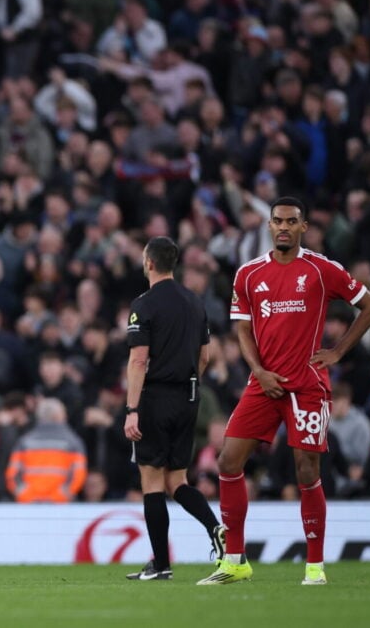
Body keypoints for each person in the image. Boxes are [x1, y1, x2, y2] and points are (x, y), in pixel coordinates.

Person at [198, 197, 370, 586]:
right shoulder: (248, 274)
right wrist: (259, 371)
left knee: (306, 469)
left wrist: (337, 351)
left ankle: (314, 567)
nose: (283, 226)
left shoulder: (321, 270)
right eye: (277, 220)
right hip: (263, 384)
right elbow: (242, 330)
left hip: (307, 385)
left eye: (291, 221)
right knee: (229, 462)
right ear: (269, 226)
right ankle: (235, 561)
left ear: (303, 227)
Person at [122, 236, 224, 581]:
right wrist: (188, 383)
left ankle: (161, 564)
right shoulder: (194, 302)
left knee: (151, 480)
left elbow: (138, 360)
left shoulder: (143, 304)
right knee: (177, 480)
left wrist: (131, 409)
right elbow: (205, 356)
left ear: (149, 262)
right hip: (189, 397)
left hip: (155, 399)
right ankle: (216, 529)